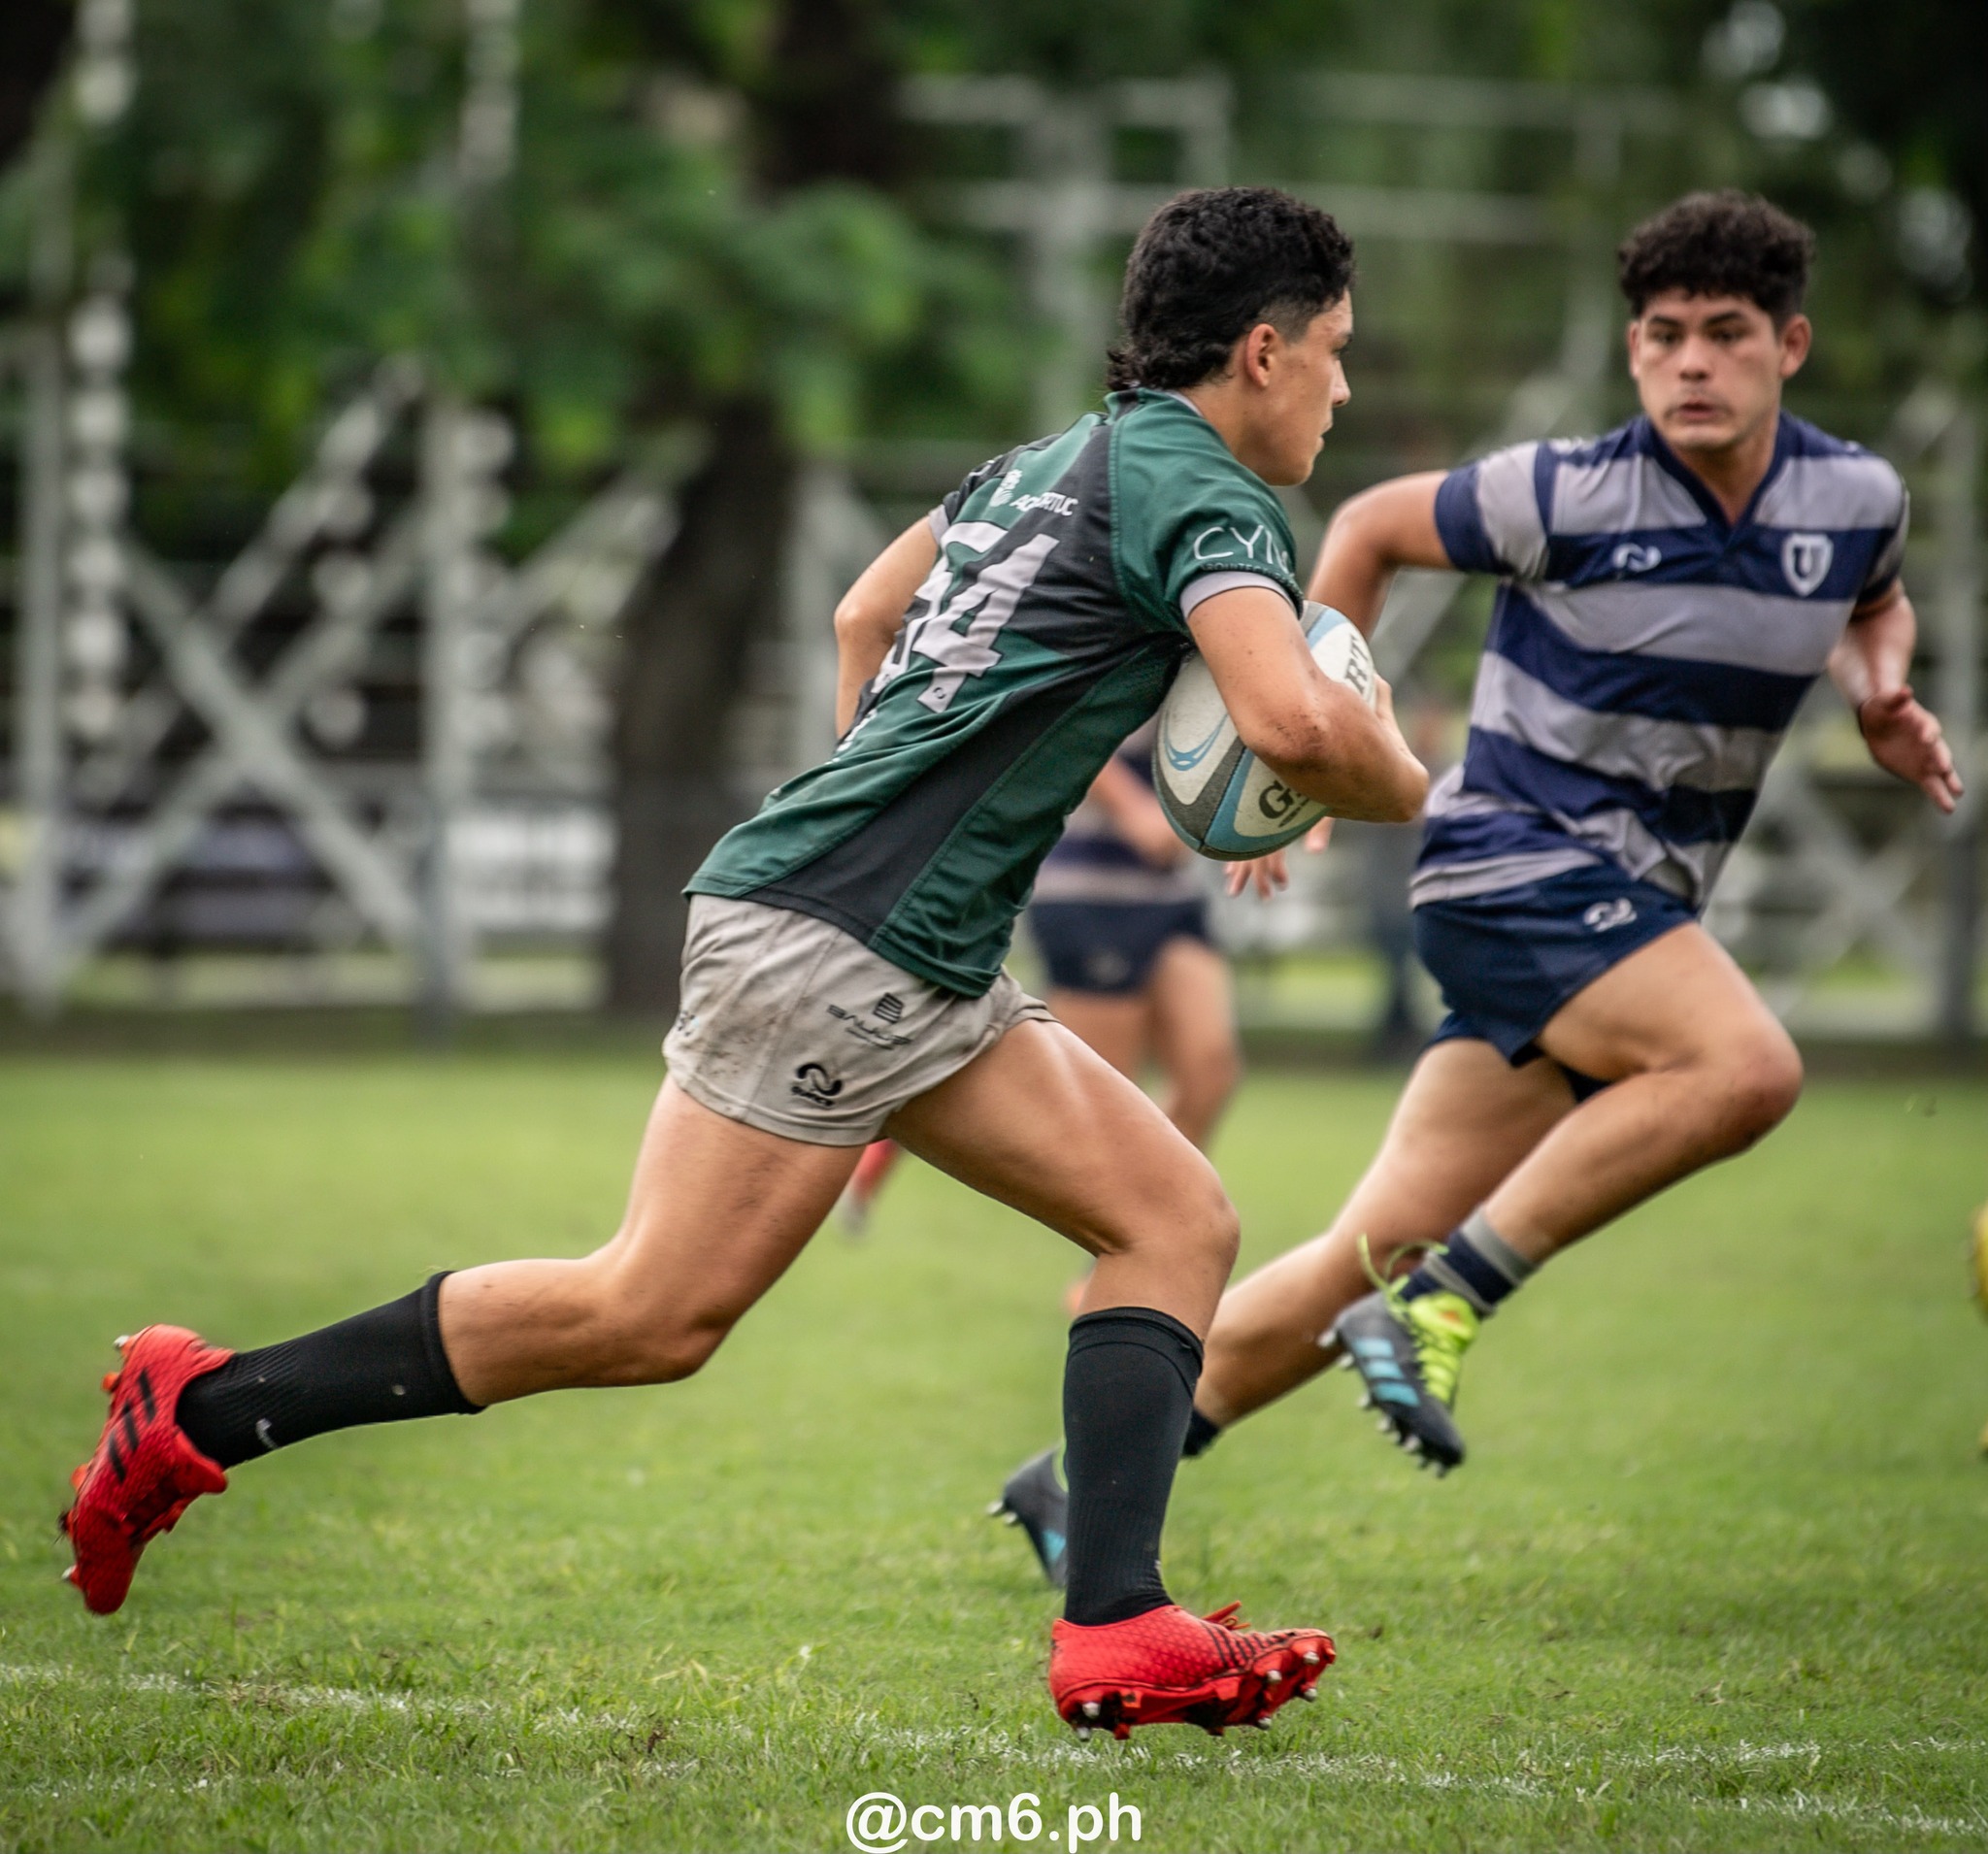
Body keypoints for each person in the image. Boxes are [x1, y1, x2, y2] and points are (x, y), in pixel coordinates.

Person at [61, 186, 1427, 1741]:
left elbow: (868, 608)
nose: (1338, 386)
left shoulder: (1053, 459)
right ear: (1263, 350)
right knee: (653, 1312)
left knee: (1174, 1213)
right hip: (848, 939)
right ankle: (198, 1406)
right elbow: (1300, 721)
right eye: (1334, 353)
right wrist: (1405, 786)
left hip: (891, 940)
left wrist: (892, 808)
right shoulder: (1218, 495)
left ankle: (1116, 1625)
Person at [995, 188, 1962, 1585]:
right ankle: (1453, 1301)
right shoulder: (1562, 491)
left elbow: (1876, 601)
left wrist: (1883, 694)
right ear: (1633, 353)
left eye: (1726, 335)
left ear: (1789, 346)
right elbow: (1377, 525)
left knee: (1359, 1257)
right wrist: (1299, 745)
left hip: (1639, 909)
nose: (1691, 362)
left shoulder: (1855, 502)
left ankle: (1077, 1481)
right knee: (1744, 1068)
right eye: (1663, 336)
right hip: (1512, 862)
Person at [838, 717, 1242, 1238]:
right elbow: (1074, 718)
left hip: (1171, 886)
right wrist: (1133, 808)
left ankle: (1158, 1229)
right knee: (1104, 1112)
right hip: (1087, 882)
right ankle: (1124, 1256)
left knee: (1209, 1071)